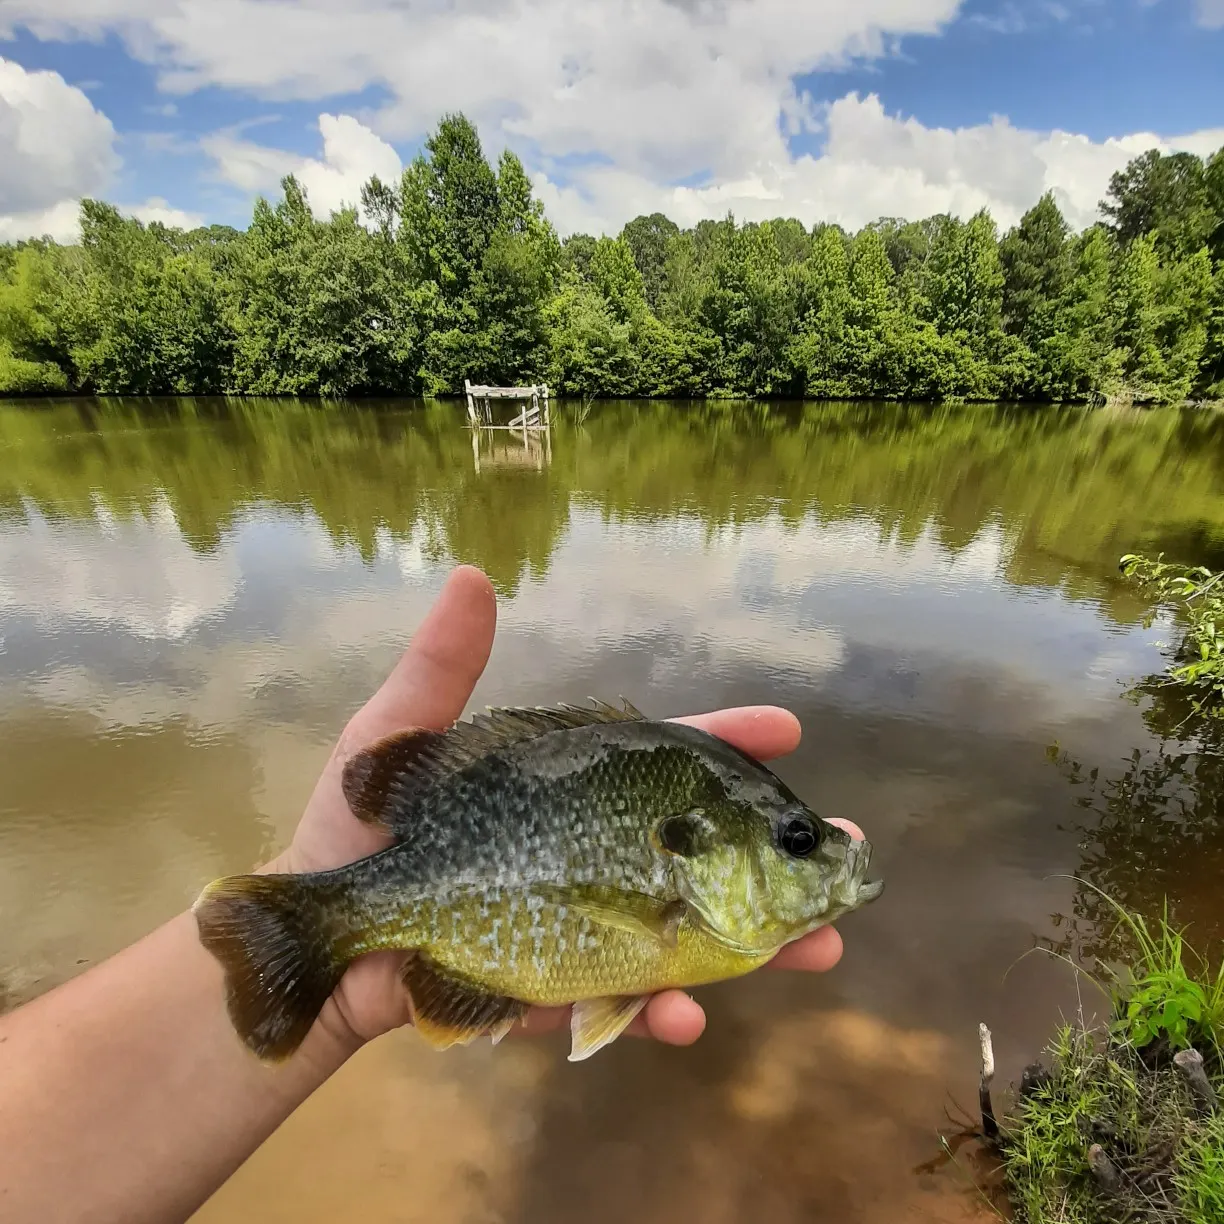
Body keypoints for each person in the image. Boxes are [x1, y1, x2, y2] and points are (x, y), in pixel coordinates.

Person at [0, 566, 863, 1223]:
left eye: (800, 842)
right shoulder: (696, 895)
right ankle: (309, 920)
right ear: (700, 848)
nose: (816, 852)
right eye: (796, 841)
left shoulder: (699, 874)